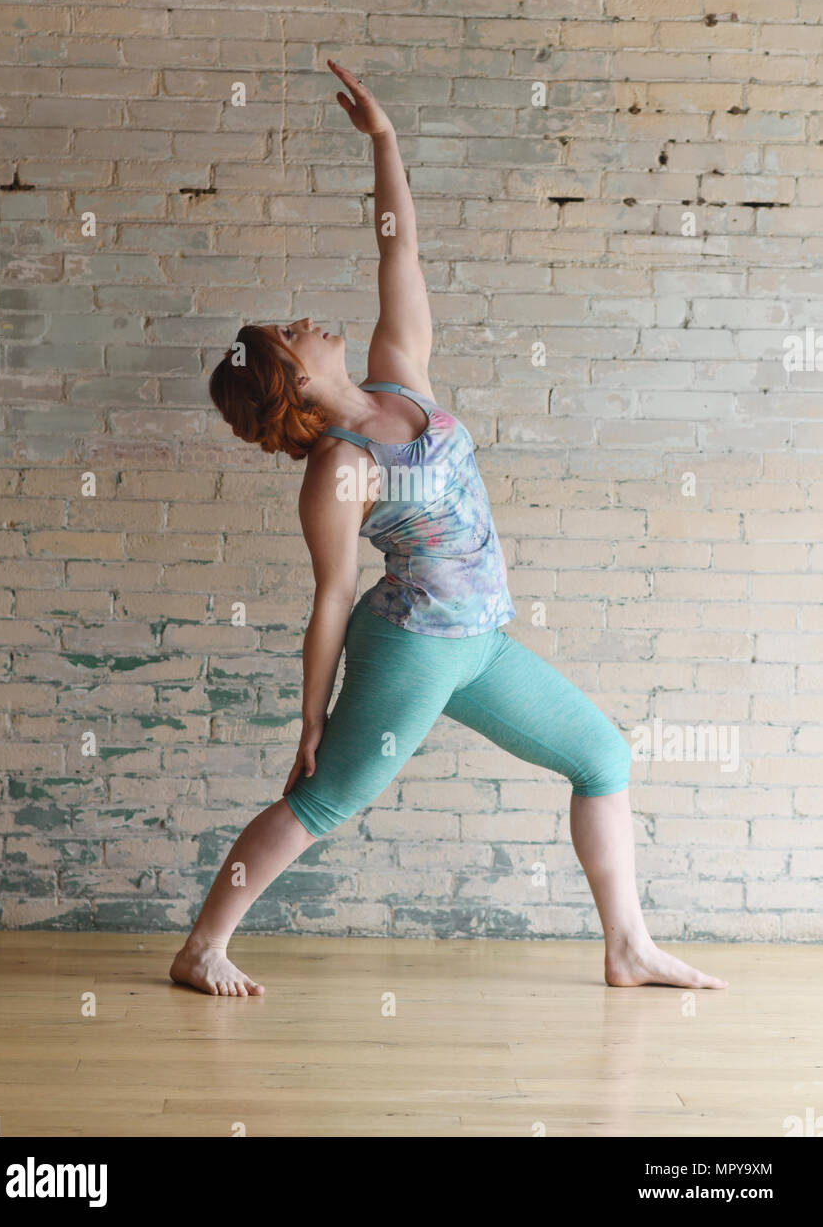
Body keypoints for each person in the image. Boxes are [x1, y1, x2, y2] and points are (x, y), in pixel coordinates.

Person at [169, 59, 726, 996]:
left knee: (601, 756)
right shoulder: (337, 473)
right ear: (294, 379)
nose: (308, 320)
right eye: (291, 333)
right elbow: (331, 600)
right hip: (413, 646)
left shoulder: (399, 374)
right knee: (324, 798)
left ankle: (627, 948)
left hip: (480, 641)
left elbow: (401, 257)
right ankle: (201, 949)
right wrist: (312, 716)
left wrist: (384, 144)